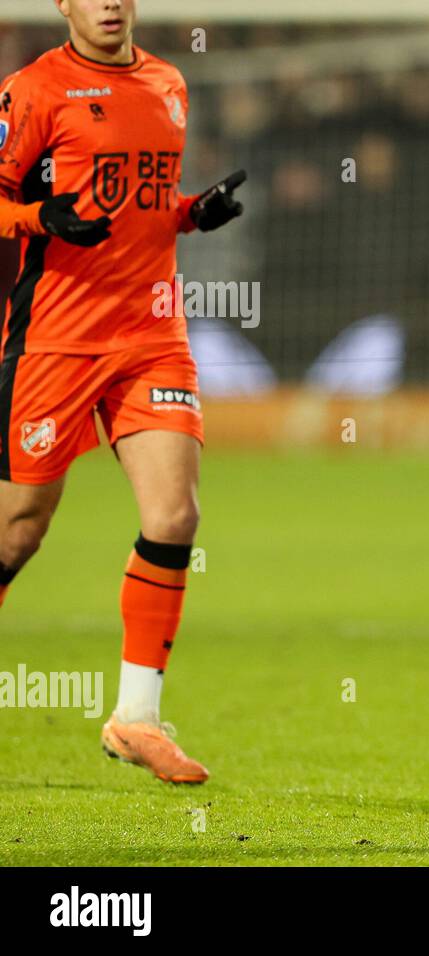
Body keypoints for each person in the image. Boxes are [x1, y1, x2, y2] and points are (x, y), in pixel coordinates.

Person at [0, 0, 245, 782]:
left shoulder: (169, 83)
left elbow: (140, 207)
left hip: (152, 337)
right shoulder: (33, 92)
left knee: (175, 514)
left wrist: (190, 215)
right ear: (64, 4)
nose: (108, 2)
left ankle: (136, 717)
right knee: (16, 534)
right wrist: (41, 216)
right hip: (56, 341)